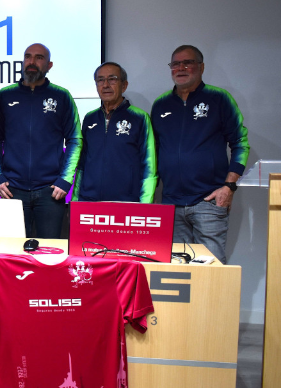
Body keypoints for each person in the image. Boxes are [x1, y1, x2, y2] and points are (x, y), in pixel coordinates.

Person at [151, 45, 249, 263]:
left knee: (212, 268)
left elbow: (240, 143)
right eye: (175, 64)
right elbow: (155, 152)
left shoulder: (219, 98)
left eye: (188, 63)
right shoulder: (160, 104)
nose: (181, 68)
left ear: (201, 67)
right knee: (178, 269)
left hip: (209, 201)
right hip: (171, 204)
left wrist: (229, 186)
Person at [0, 43, 82, 238]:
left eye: (39, 58)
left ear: (49, 65)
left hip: (51, 190)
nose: (32, 62)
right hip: (12, 189)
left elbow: (75, 139)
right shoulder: (5, 95)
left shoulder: (62, 96)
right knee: (12, 250)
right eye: (28, 56)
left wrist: (66, 179)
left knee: (49, 250)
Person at [74, 62, 157, 203]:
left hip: (125, 202)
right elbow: (81, 164)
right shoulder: (90, 118)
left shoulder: (140, 118)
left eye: (112, 79)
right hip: (89, 201)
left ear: (124, 85)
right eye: (100, 80)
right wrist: (75, 201)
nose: (106, 85)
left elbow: (149, 166)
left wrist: (145, 205)